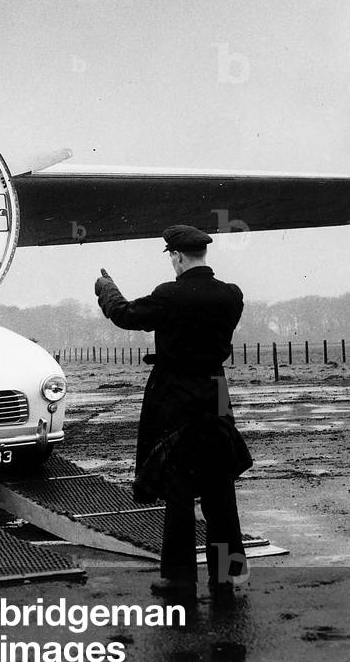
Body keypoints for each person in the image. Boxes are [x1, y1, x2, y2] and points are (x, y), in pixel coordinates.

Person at [93, 225, 251, 597]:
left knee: (179, 485)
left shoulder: (169, 295)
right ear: (201, 255)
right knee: (219, 485)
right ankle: (227, 573)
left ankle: (179, 578)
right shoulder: (231, 296)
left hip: (177, 394)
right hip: (215, 390)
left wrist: (106, 288)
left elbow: (125, 315)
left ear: (177, 257)